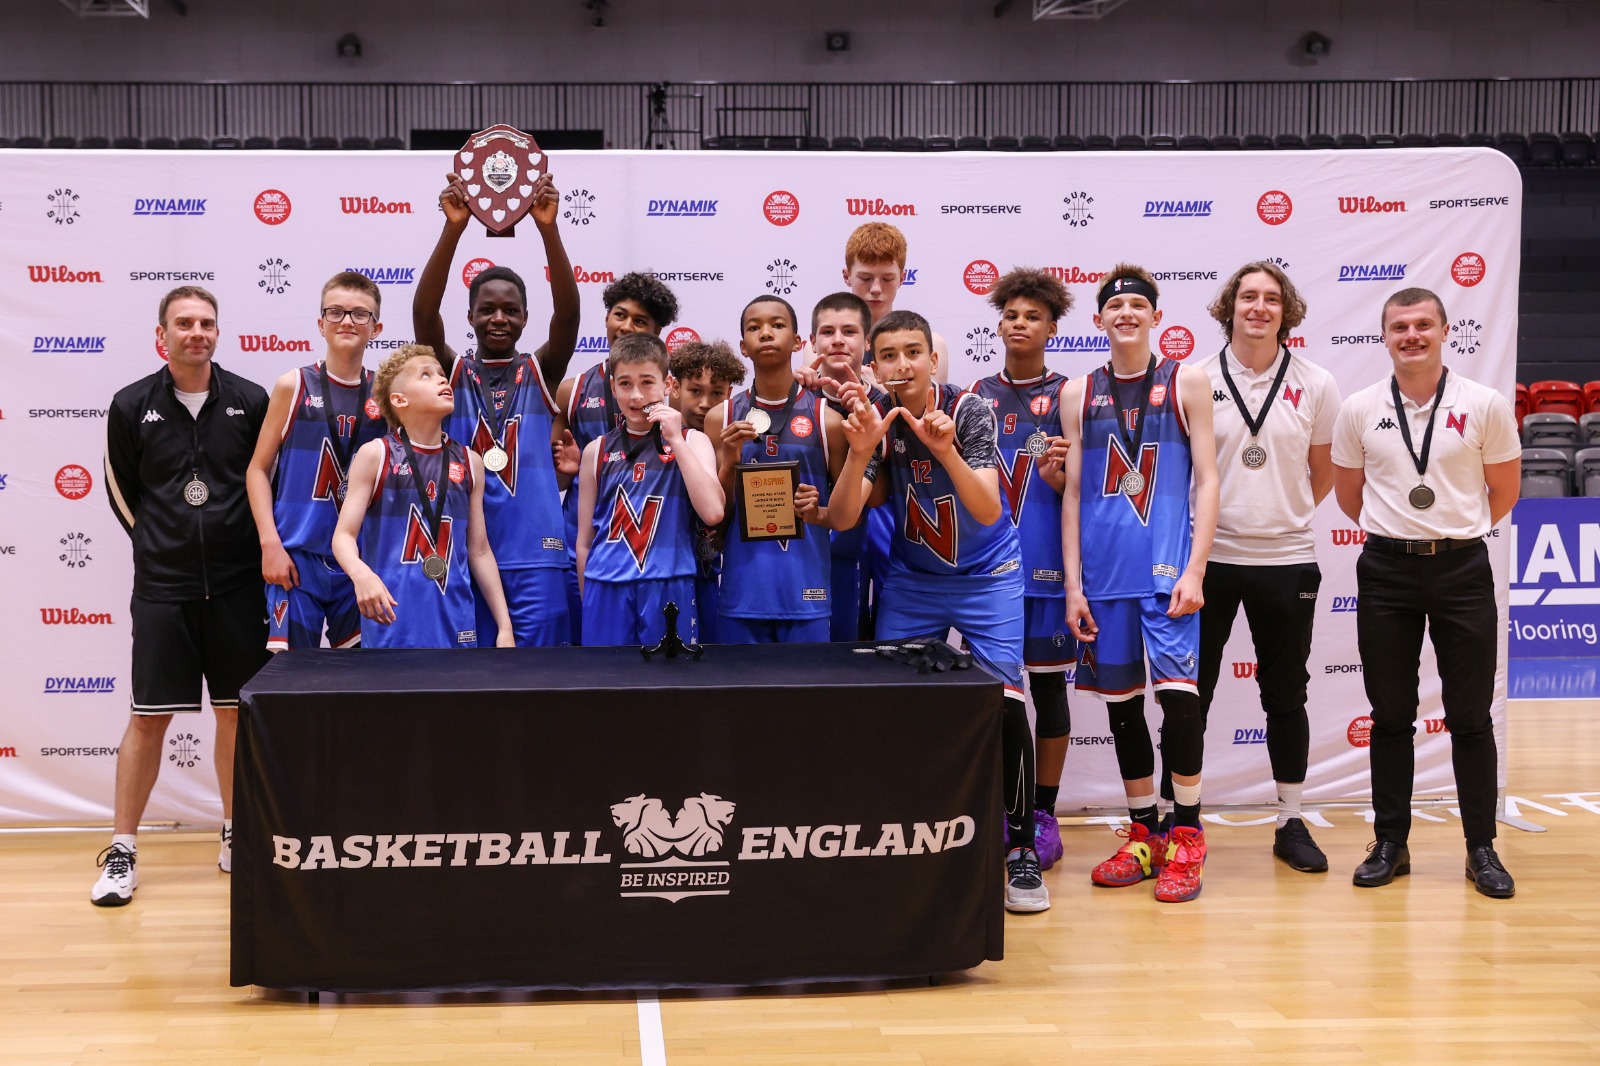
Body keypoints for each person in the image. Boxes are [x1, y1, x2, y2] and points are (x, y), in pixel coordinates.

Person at [828, 310, 1048, 914]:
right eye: (889, 355)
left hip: (988, 577)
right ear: (874, 365)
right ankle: (905, 839)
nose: (902, 364)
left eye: (913, 352)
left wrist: (945, 451)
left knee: (1005, 704)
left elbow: (986, 509)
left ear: (932, 358)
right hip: (914, 582)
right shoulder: (875, 413)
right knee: (896, 708)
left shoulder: (969, 408)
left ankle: (1020, 849)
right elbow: (843, 517)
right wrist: (860, 452)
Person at [1331, 287, 1520, 899]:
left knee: (1470, 715)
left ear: (1444, 331)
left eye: (1422, 325)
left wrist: (1449, 531)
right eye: (1399, 327)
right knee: (1390, 715)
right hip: (1386, 570)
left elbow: (1504, 490)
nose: (1411, 336)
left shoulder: (1484, 403)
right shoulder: (1360, 408)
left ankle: (1481, 847)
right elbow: (1350, 496)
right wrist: (1402, 533)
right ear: (1384, 336)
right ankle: (1390, 842)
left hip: (1462, 567)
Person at [94, 285, 270, 906]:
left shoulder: (251, 400)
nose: (197, 332)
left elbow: (266, 483)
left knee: (234, 714)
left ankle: (236, 833)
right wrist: (157, 545)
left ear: (218, 333)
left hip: (238, 585)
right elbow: (120, 490)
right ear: (161, 336)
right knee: (147, 718)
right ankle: (122, 849)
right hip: (163, 589)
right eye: (184, 323)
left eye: (206, 323)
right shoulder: (129, 404)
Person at [1060, 265, 1219, 904]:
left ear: (1156, 316)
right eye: (1114, 305)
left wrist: (1196, 568)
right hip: (1104, 581)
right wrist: (1073, 587)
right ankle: (1143, 835)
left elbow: (1208, 479)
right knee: (1122, 708)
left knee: (1180, 704)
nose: (1126, 312)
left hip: (1167, 575)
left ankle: (1188, 834)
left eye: (1137, 304)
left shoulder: (1187, 379)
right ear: (1098, 319)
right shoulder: (1079, 391)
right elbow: (1073, 494)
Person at [1187, 262, 1340, 873]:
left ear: (1286, 311)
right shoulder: (1196, 377)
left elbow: (1323, 471)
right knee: (1190, 694)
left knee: (1286, 694)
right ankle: (1183, 818)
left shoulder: (1316, 382)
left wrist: (1281, 511)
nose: (1258, 307)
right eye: (1247, 296)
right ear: (1229, 306)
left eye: (1271, 298)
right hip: (1209, 559)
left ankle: (1290, 820)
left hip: (1287, 558)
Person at [412, 171, 579, 647]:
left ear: (525, 317)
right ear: (470, 317)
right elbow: (424, 315)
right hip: (467, 550)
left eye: (510, 309)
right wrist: (454, 229)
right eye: (487, 309)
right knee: (474, 676)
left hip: (537, 551)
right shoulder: (450, 372)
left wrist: (549, 229)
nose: (499, 318)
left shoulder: (542, 370)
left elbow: (568, 315)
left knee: (540, 676)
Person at [967, 267, 1076, 871]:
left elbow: (1085, 489)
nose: (1019, 324)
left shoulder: (1069, 396)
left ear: (1052, 328)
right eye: (1010, 315)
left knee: (1050, 689)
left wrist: (1063, 479)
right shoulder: (973, 395)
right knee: (994, 698)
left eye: (1033, 316)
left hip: (1048, 569)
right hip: (988, 572)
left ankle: (1043, 812)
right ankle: (997, 808)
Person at [330, 345, 514, 651]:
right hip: (392, 623)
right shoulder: (376, 454)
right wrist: (360, 574)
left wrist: (504, 625)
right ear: (399, 400)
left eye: (441, 374)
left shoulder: (471, 462)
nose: (442, 379)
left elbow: (480, 551)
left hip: (456, 624)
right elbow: (343, 536)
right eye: (426, 375)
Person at [246, 271, 389, 651]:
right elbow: (258, 469)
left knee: (361, 677)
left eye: (360, 314)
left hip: (358, 560)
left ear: (376, 328)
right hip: (297, 558)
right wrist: (269, 545)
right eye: (336, 312)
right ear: (320, 324)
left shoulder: (385, 394)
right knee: (292, 676)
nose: (347, 321)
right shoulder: (293, 385)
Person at [706, 296, 847, 643]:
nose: (766, 333)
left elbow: (848, 515)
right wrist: (729, 462)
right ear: (743, 346)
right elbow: (715, 517)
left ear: (798, 342)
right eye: (754, 327)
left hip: (806, 592)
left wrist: (818, 509)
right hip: (742, 593)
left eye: (777, 325)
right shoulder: (720, 418)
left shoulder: (828, 421)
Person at [553, 273, 681, 642]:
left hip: (651, 546)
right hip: (585, 544)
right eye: (619, 315)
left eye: (640, 321)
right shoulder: (572, 389)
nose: (625, 327)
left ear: (656, 332)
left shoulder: (669, 391)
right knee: (590, 656)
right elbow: (555, 478)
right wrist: (570, 470)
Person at [576, 333, 724, 646]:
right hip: (605, 588)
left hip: (668, 584)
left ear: (668, 384)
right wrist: (589, 600)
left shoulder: (693, 441)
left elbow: (713, 512)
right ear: (612, 387)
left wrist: (676, 440)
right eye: (625, 384)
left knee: (671, 676)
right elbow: (585, 543)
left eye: (647, 382)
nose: (636, 395)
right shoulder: (595, 451)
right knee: (604, 674)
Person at [810, 291, 882, 641]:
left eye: (849, 331)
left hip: (866, 552)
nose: (837, 340)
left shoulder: (886, 404)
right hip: (800, 550)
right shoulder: (791, 398)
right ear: (811, 342)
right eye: (828, 331)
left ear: (867, 341)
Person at [667, 338, 746, 643]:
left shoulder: (731, 437)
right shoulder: (659, 438)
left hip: (712, 569)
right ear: (675, 388)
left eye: (716, 393)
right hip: (669, 568)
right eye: (695, 391)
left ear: (730, 394)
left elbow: (723, 509)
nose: (705, 403)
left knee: (711, 652)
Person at [841, 222, 948, 384]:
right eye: (865, 278)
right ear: (847, 276)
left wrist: (879, 388)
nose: (876, 289)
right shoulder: (822, 347)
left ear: (902, 278)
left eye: (887, 279)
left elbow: (931, 400)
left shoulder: (931, 344)